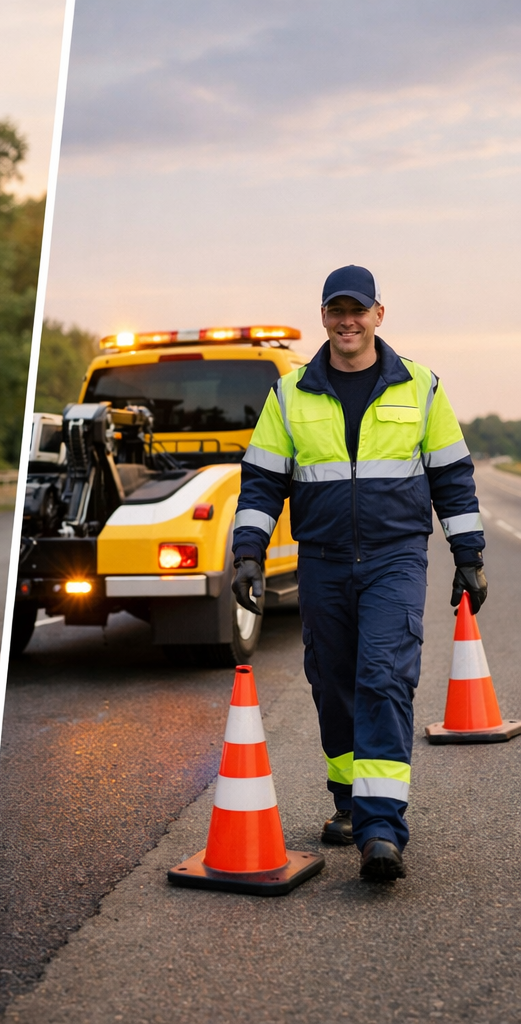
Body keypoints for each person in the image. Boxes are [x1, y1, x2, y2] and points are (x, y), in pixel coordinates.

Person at [231, 265, 487, 882]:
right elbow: (263, 481)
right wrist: (248, 552)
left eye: (358, 310)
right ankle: (348, 801)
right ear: (323, 317)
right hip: (321, 560)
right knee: (334, 680)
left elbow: (452, 477)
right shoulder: (289, 394)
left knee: (383, 674)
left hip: (395, 557)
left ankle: (381, 828)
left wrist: (469, 555)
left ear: (378, 314)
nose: (348, 321)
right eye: (336, 311)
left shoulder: (420, 388)